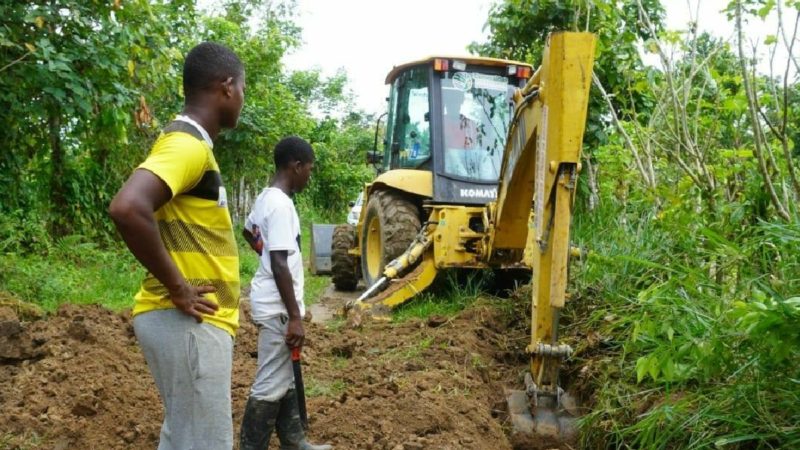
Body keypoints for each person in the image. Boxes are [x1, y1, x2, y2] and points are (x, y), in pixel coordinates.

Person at [108, 42, 245, 450]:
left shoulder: (187, 144)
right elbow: (128, 208)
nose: (242, 99)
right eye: (242, 88)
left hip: (189, 325)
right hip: (188, 324)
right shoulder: (188, 146)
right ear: (225, 87)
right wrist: (179, 287)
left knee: (184, 438)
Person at [239, 136, 331, 450]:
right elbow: (279, 263)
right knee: (269, 382)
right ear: (296, 166)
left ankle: (294, 441)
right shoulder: (280, 205)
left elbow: (248, 231)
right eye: (309, 169)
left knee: (284, 375)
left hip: (272, 301)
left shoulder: (267, 197)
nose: (309, 175)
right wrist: (295, 317)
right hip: (278, 307)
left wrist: (263, 256)